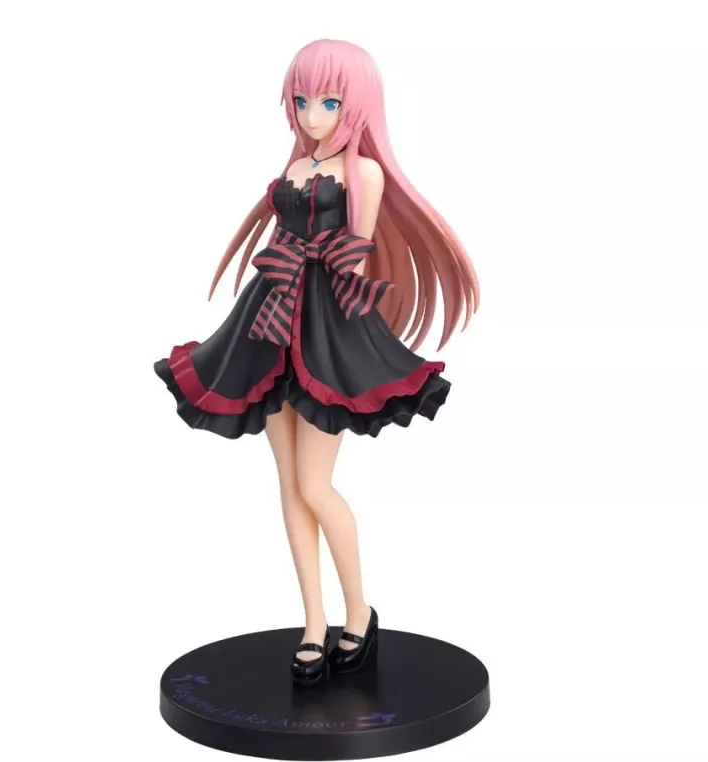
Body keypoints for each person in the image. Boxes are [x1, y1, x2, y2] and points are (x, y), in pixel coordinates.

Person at [154, 38, 479, 686]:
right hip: (269, 318)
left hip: (326, 326)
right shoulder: (297, 167)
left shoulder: (365, 174)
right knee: (288, 486)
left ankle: (359, 613)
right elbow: (282, 238)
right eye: (302, 100)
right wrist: (287, 264)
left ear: (357, 103)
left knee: (315, 484)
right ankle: (312, 621)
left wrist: (324, 270)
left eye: (328, 102)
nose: (311, 114)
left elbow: (355, 252)